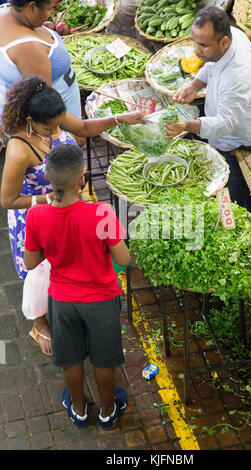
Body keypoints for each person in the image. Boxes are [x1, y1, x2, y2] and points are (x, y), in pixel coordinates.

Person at [0, 75, 145, 356]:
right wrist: (51, 196)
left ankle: (67, 309)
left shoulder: (52, 114)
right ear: (29, 119)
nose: (56, 130)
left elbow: (85, 127)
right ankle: (39, 323)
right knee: (37, 271)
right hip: (37, 215)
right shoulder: (19, 149)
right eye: (49, 127)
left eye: (58, 124)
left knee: (64, 266)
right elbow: (7, 200)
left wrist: (121, 119)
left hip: (67, 206)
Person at [23, 143, 129, 429]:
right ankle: (108, 412)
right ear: (81, 179)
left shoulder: (36, 216)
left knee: (70, 358)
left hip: (62, 300)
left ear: (50, 179)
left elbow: (31, 262)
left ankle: (79, 410)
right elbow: (124, 258)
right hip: (102, 299)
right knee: (104, 360)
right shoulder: (101, 213)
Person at [164, 6, 251, 213]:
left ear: (223, 42)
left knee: (237, 201)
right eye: (194, 42)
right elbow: (210, 64)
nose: (196, 50)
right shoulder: (232, 38)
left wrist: (186, 125)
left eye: (202, 45)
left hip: (241, 144)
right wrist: (195, 86)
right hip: (227, 133)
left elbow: (226, 123)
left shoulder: (238, 75)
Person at [0, 0, 82, 149]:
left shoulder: (6, 11)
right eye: (50, 8)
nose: (52, 13)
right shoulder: (28, 48)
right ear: (32, 7)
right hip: (55, 128)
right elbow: (45, 109)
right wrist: (76, 133)